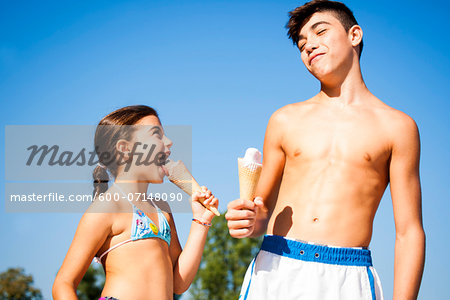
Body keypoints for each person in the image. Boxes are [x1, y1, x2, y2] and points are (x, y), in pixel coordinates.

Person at [225, 1, 425, 299]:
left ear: (354, 35)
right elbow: (261, 212)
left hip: (349, 277)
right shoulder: (284, 120)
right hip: (277, 268)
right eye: (302, 43)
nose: (309, 46)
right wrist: (247, 220)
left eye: (320, 32)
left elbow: (409, 232)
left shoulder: (398, 127)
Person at [53, 105, 219, 299]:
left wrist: (201, 221)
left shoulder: (162, 210)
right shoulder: (107, 206)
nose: (169, 142)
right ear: (125, 149)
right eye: (157, 134)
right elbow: (63, 284)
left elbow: (179, 284)